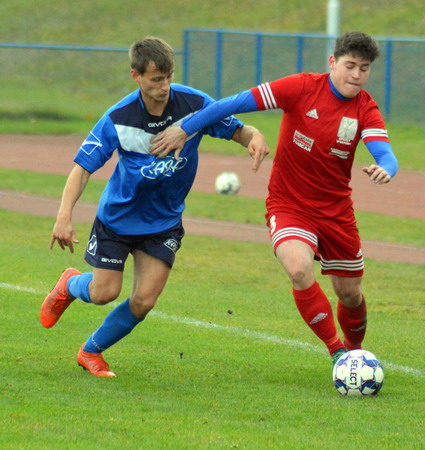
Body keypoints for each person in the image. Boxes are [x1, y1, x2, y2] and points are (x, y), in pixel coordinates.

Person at [151, 32, 399, 365]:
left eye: (364, 69)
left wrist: (386, 168)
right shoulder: (301, 87)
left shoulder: (364, 108)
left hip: (337, 211)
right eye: (350, 65)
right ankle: (338, 353)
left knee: (350, 294)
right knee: (298, 270)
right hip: (289, 205)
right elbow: (234, 103)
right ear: (332, 62)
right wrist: (186, 127)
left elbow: (385, 153)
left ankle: (355, 352)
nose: (356, 75)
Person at [40, 36, 269, 377]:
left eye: (169, 76)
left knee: (144, 301)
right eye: (156, 79)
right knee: (103, 293)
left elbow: (237, 130)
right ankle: (70, 284)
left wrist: (255, 137)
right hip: (118, 220)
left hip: (163, 222)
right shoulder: (118, 117)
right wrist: (63, 216)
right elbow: (82, 168)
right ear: (136, 76)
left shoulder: (194, 104)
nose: (165, 86)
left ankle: (91, 351)